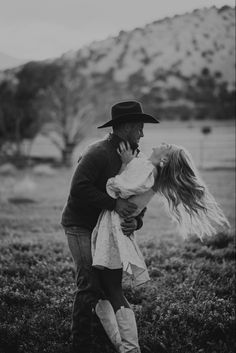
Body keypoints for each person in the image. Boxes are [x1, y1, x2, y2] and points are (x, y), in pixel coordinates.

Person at [91, 141, 230, 353]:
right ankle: (120, 343)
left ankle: (130, 348)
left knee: (111, 289)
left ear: (163, 160)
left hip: (112, 234)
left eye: (166, 146)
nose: (161, 144)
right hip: (111, 232)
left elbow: (115, 187)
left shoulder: (148, 174)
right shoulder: (151, 176)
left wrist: (127, 163)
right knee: (102, 289)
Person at [61, 100, 160, 353]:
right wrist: (114, 204)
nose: (142, 133)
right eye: (138, 127)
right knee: (89, 283)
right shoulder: (97, 152)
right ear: (125, 127)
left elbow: (137, 196)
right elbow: (78, 189)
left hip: (106, 229)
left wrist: (136, 220)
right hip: (80, 225)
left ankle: (116, 340)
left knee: (107, 286)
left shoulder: (135, 158)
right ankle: (80, 345)